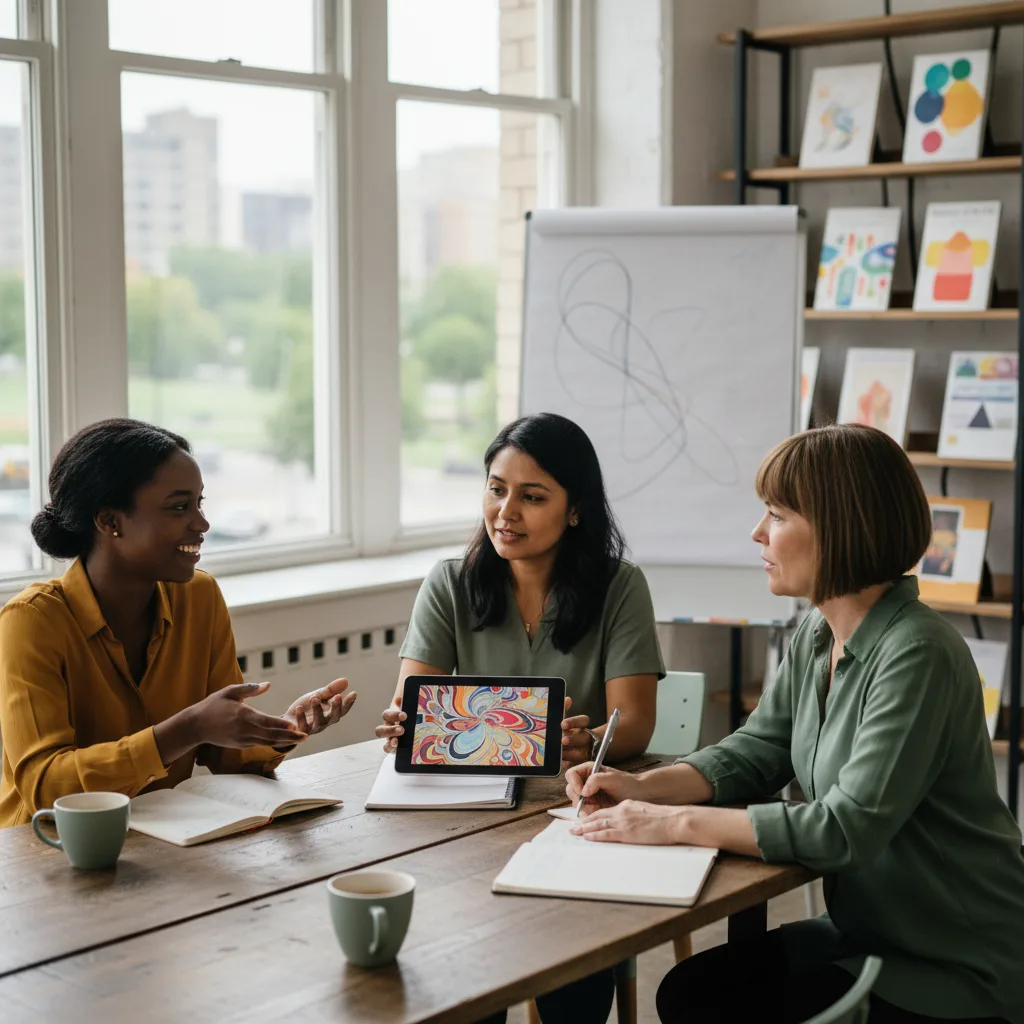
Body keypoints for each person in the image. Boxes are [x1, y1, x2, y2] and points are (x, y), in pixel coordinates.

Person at [566, 424, 1024, 1024]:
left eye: (777, 515)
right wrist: (645, 788)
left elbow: (844, 829)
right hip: (869, 930)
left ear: (838, 526)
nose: (758, 532)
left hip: (953, 960)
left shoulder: (919, 653)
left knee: (713, 1003)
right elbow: (760, 748)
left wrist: (671, 822)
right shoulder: (816, 631)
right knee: (690, 992)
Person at [376, 412, 665, 1024]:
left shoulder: (620, 586)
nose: (506, 510)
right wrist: (406, 724)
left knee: (573, 984)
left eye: (532, 497)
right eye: (496, 488)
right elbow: (416, 703)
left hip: (573, 817)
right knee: (462, 973)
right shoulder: (449, 583)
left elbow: (635, 725)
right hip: (466, 828)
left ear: (576, 509)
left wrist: (588, 741)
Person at [0, 419, 357, 829]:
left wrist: (282, 729)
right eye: (179, 506)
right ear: (110, 521)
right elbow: (46, 786)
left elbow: (225, 755)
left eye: (199, 503)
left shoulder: (199, 598)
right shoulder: (32, 621)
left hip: (156, 845)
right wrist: (186, 729)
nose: (202, 524)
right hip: (42, 853)